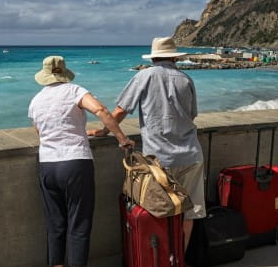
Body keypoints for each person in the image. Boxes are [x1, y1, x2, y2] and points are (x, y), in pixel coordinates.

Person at [88, 37, 206, 251]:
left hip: (159, 159)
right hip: (191, 154)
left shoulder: (144, 76)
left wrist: (105, 131)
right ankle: (179, 260)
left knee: (158, 210)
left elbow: (121, 110)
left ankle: (160, 262)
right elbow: (192, 115)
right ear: (173, 57)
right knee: (190, 211)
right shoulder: (186, 79)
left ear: (153, 57)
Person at [28, 56, 135, 267]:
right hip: (75, 162)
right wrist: (122, 139)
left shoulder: (36, 101)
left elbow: (42, 132)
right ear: (64, 72)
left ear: (45, 76)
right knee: (79, 219)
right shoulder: (74, 90)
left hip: (47, 164)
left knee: (55, 222)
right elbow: (101, 109)